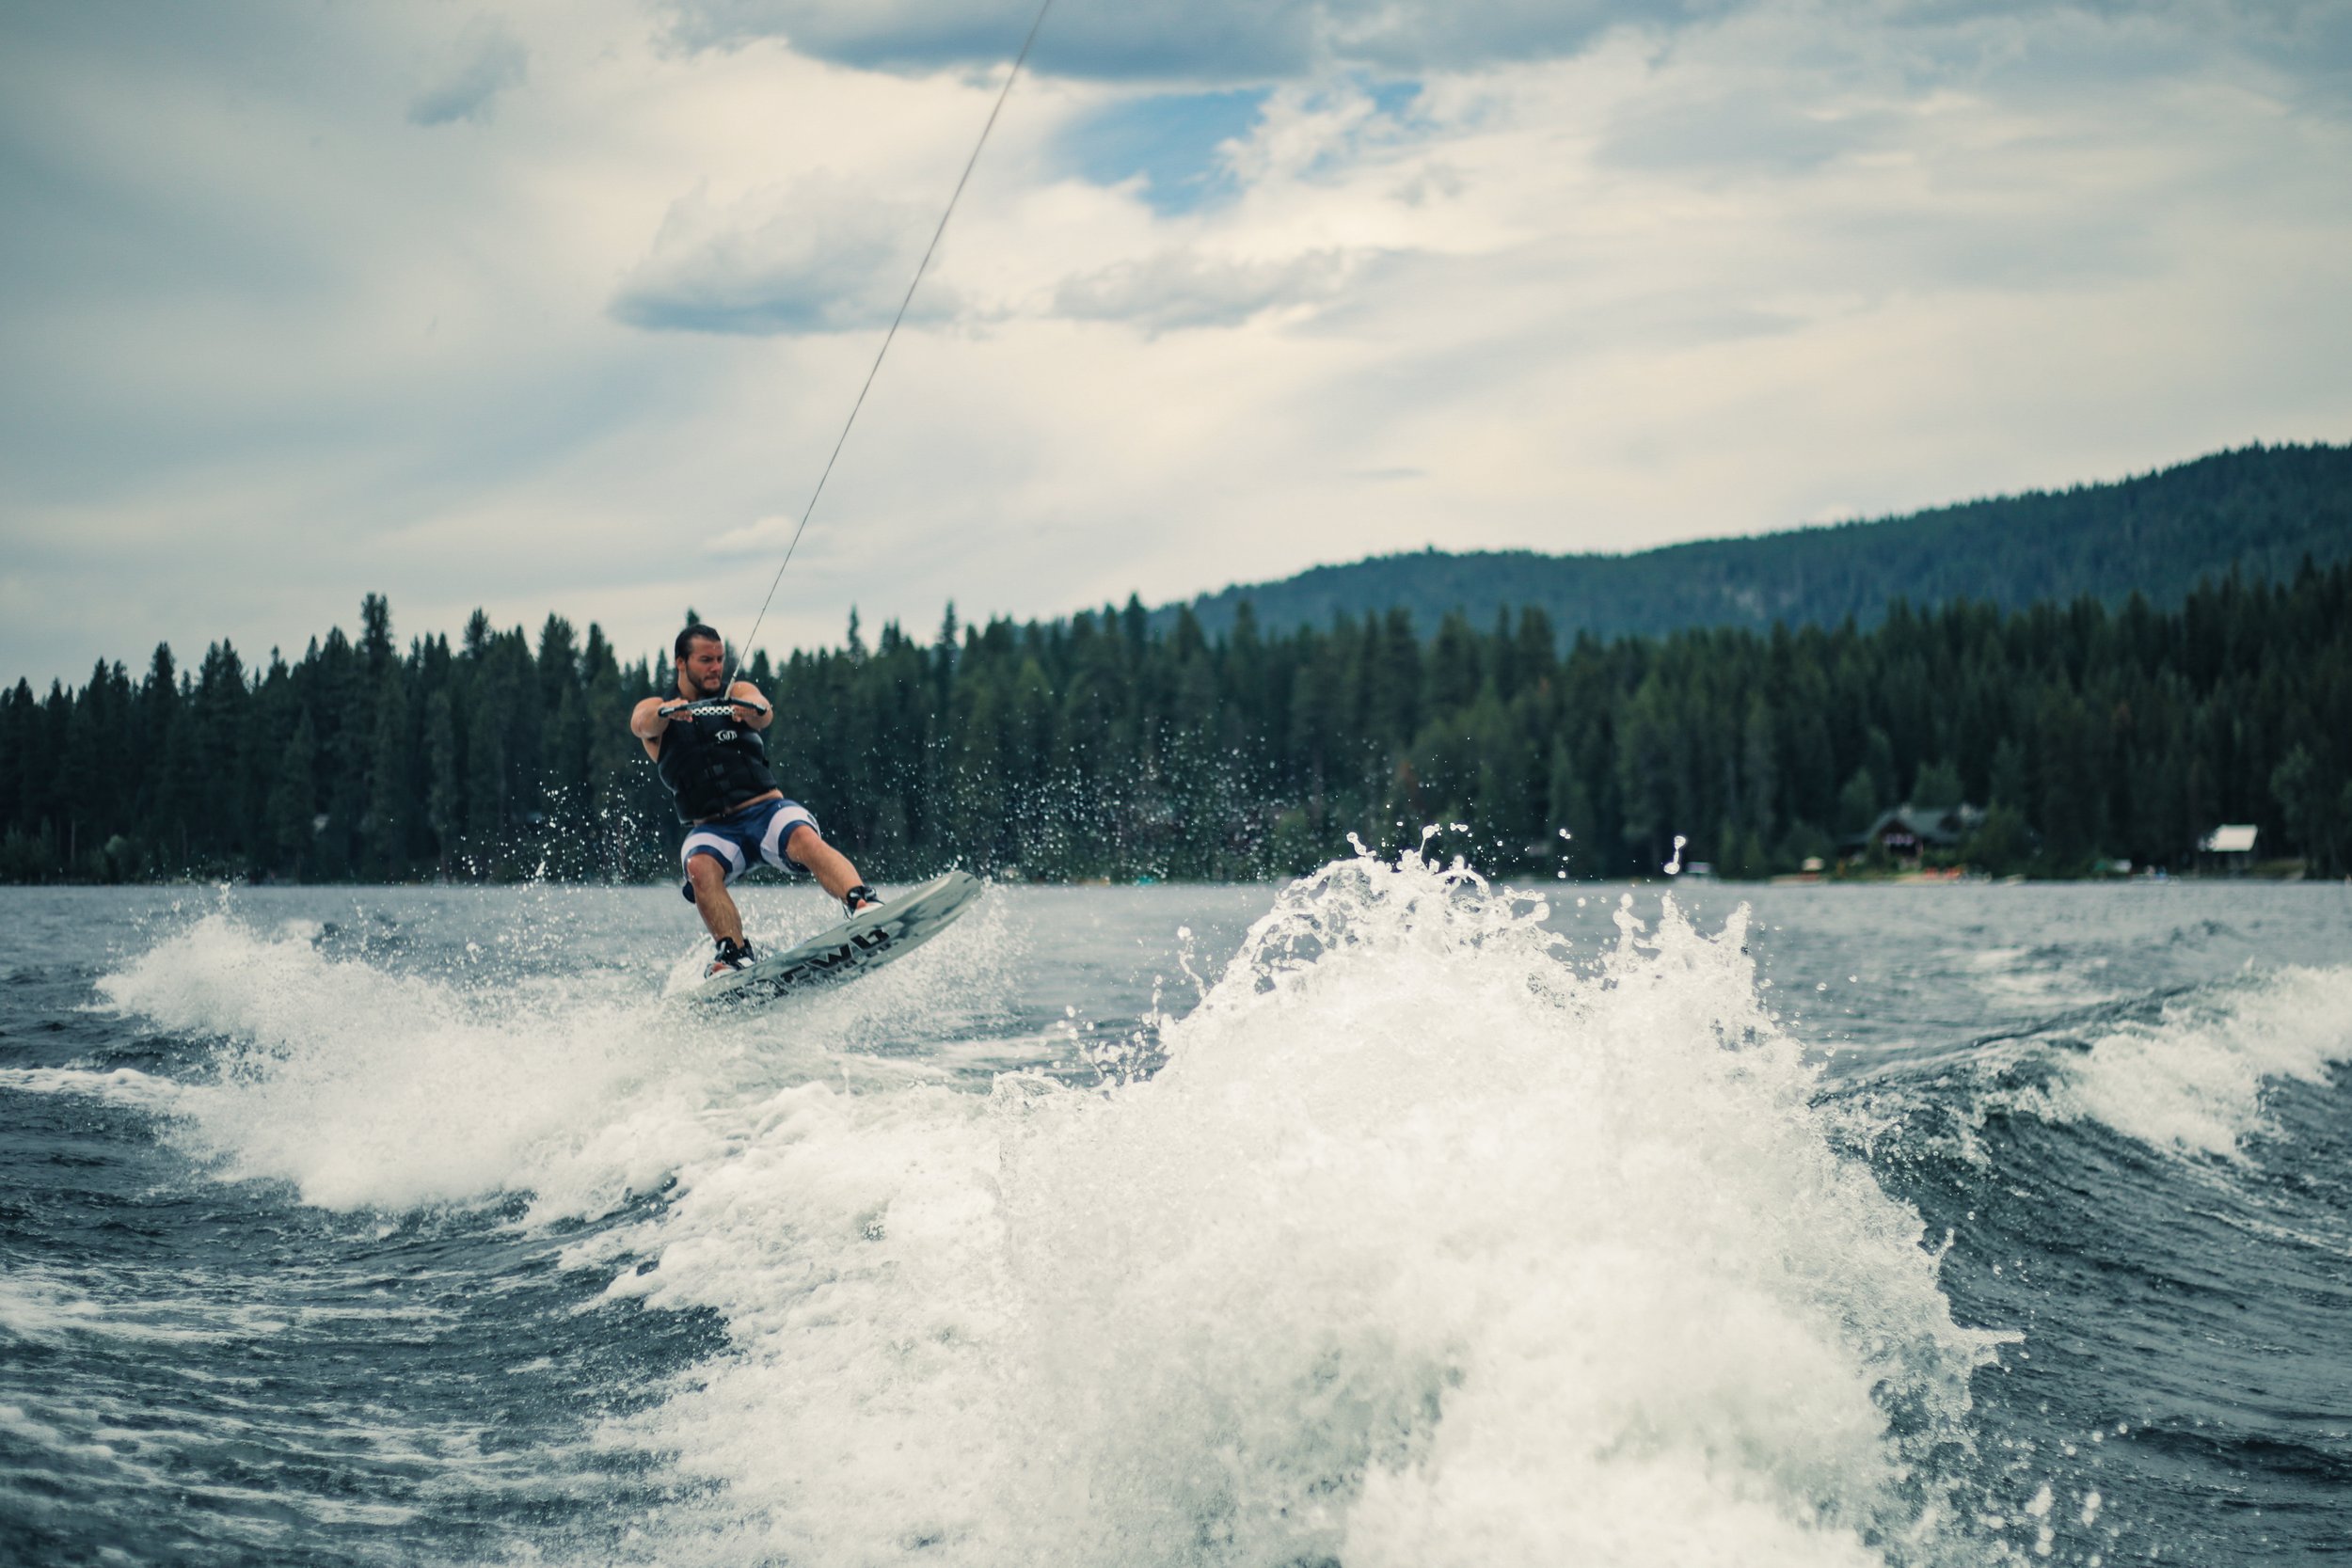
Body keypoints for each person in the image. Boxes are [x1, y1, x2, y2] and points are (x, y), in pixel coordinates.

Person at [630, 623, 879, 976]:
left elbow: (763, 710)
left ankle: (860, 899)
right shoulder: (658, 710)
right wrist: (666, 713)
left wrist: (751, 709)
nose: (716, 667)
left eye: (720, 659)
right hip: (715, 831)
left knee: (803, 836)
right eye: (706, 660)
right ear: (681, 663)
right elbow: (641, 723)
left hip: (765, 812)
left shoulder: (738, 692)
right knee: (699, 867)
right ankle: (734, 952)